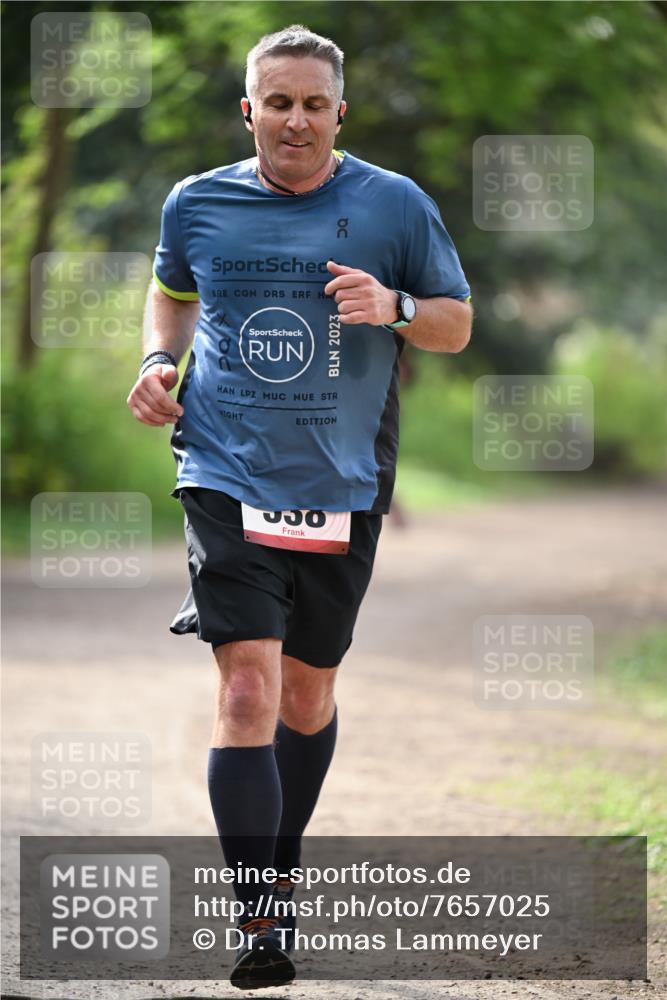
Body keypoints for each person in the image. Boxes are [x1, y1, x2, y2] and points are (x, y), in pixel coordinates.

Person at [127, 24, 471, 990]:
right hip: (224, 472)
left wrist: (395, 308)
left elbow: (455, 323)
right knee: (246, 690)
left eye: (313, 104)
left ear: (338, 114)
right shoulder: (198, 202)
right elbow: (170, 295)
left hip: (342, 483)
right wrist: (160, 360)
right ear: (249, 111)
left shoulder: (393, 205)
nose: (295, 120)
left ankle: (277, 869)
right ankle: (260, 921)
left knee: (308, 696)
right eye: (276, 102)